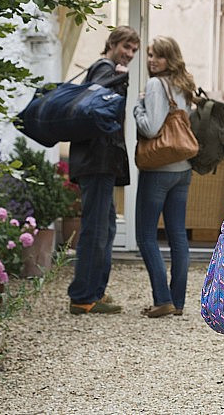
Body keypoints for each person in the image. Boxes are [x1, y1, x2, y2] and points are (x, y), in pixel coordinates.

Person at [68, 25, 140, 315]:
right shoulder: (104, 69)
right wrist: (117, 80)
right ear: (112, 43)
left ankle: (94, 290)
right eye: (126, 47)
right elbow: (94, 110)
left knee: (105, 227)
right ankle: (83, 296)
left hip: (99, 163)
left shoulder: (109, 70)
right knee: (96, 229)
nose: (130, 54)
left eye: (133, 50)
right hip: (96, 162)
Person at [133, 36, 198, 318]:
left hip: (158, 170)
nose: (151, 61)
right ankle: (178, 301)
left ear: (169, 58)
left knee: (146, 235)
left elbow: (150, 129)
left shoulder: (155, 85)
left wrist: (138, 108)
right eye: (149, 55)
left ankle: (163, 299)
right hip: (182, 168)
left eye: (157, 56)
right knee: (177, 236)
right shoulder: (184, 84)